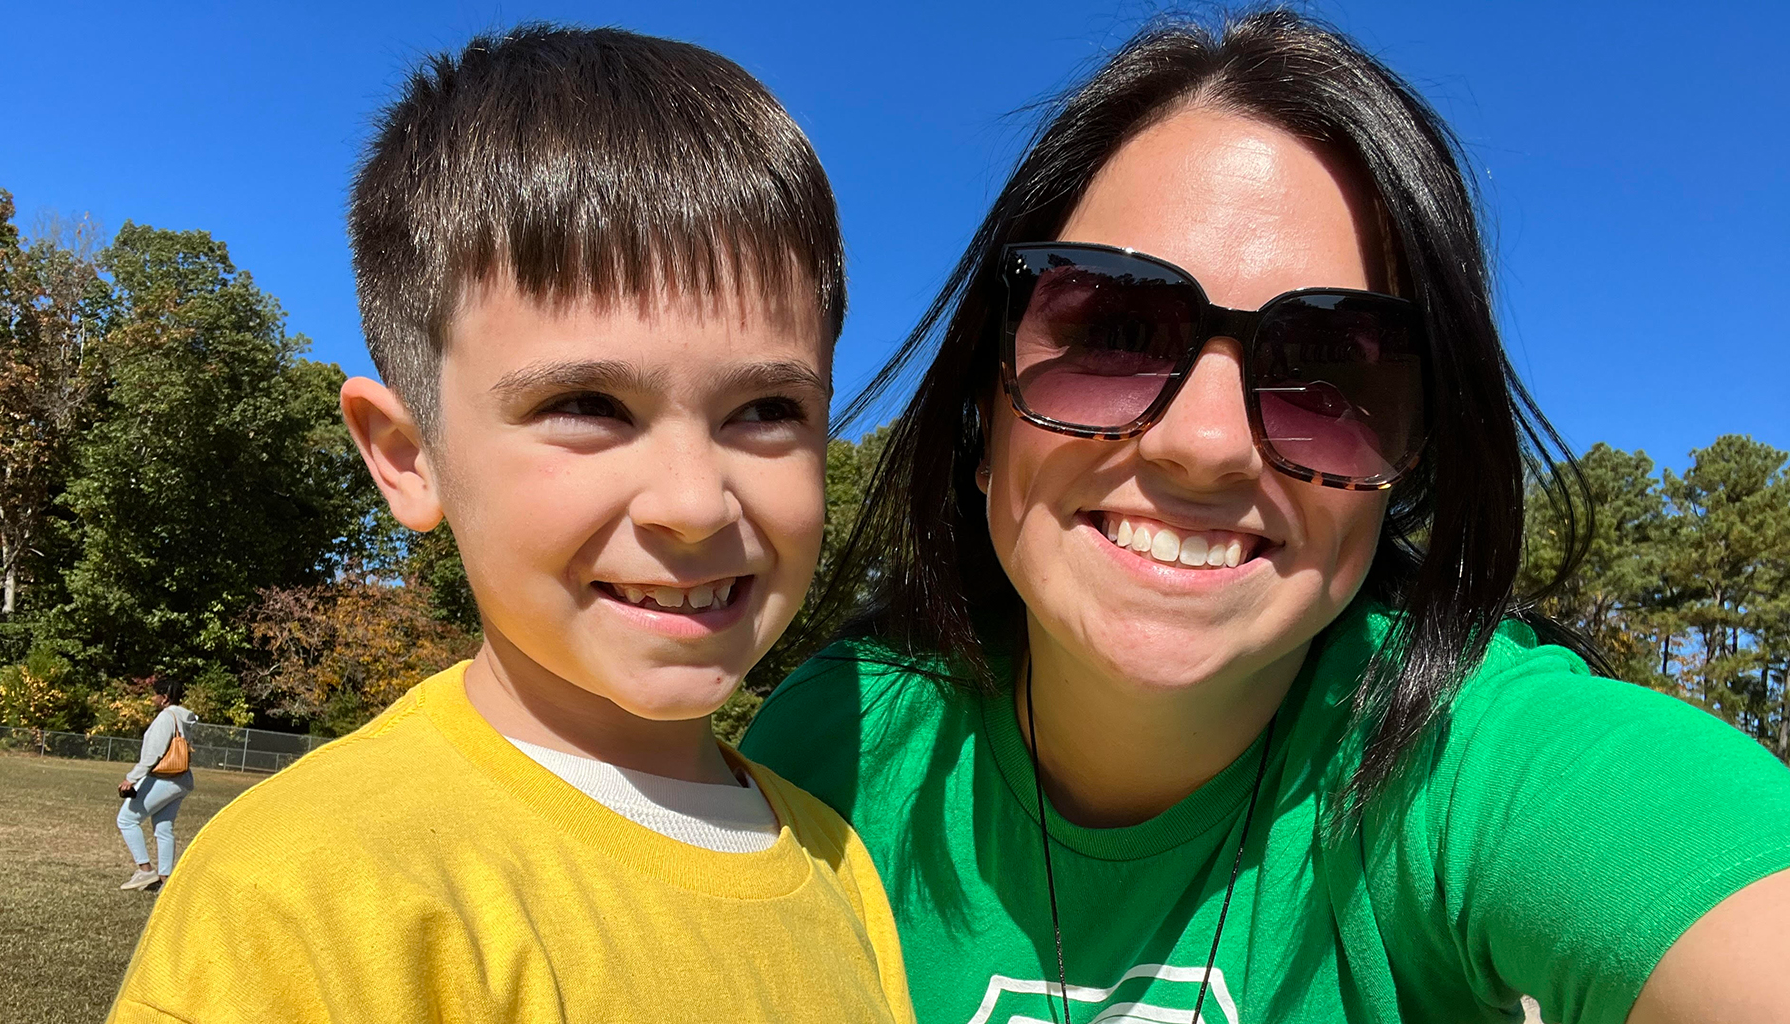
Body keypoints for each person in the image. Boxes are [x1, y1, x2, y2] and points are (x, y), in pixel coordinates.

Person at [741, 10, 1790, 1024]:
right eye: (1111, 330)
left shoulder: (1470, 767)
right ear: (985, 403)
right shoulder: (838, 746)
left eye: (1332, 370)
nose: (1203, 444)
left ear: (1410, 460)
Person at [107, 25, 914, 1024]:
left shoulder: (841, 868)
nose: (695, 502)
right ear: (407, 455)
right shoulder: (308, 895)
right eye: (587, 404)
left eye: (766, 411)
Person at [115, 677, 197, 892]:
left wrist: (131, 779)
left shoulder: (165, 718)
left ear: (165, 698)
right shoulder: (184, 718)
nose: (152, 698)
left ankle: (145, 870)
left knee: (126, 820)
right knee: (163, 827)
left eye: (155, 694)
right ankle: (165, 881)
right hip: (182, 780)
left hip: (164, 778)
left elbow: (153, 754)